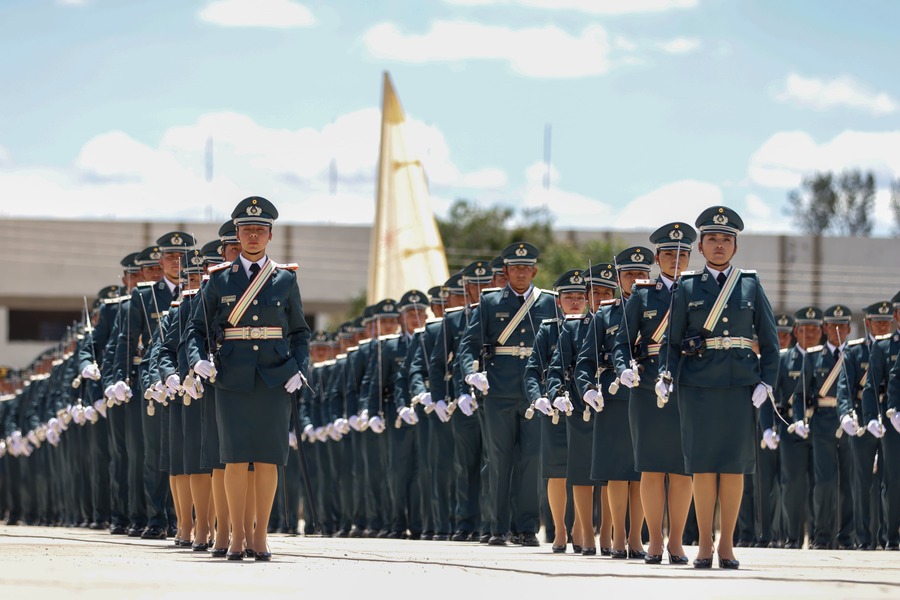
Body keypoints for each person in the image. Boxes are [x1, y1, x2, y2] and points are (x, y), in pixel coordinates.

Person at [187, 196, 311, 561]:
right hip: (232, 378)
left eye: (260, 230)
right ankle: (237, 536)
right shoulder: (219, 279)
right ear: (237, 236)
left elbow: (301, 333)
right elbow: (196, 328)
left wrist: (299, 371)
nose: (253, 235)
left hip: (275, 378)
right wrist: (197, 361)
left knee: (270, 458)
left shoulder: (285, 280)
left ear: (270, 235)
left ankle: (261, 535)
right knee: (236, 459)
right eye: (246, 230)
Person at [656, 206, 779, 569]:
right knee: (703, 466)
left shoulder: (751, 284)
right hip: (697, 387)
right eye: (712, 239)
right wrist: (665, 375)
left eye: (726, 240)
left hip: (741, 386)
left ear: (735, 246)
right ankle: (705, 543)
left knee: (734, 466)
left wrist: (767, 382)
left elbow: (771, 343)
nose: (719, 245)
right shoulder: (687, 287)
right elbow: (671, 342)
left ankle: (727, 543)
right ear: (701, 247)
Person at [458, 242, 557, 546]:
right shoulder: (489, 302)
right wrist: (470, 372)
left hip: (534, 390)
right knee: (499, 460)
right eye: (515, 268)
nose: (521, 273)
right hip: (498, 389)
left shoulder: (548, 303)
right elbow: (468, 345)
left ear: (534, 271)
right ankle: (496, 526)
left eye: (526, 268)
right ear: (506, 271)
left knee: (531, 458)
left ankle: (525, 527)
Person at [615, 223, 696, 564]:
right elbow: (622, 340)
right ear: (657, 259)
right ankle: (654, 541)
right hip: (648, 386)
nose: (675, 260)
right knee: (650, 468)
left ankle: (676, 541)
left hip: (688, 384)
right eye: (668, 254)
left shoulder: (697, 291)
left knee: (682, 468)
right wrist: (623, 368)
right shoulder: (643, 295)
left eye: (682, 254)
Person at [576, 250, 650, 560]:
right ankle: (619, 535)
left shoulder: (657, 309)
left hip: (646, 395)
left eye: (639, 273)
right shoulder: (605, 315)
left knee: (642, 473)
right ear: (619, 279)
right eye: (628, 274)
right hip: (614, 398)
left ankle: (637, 537)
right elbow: (584, 362)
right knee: (618, 473)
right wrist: (587, 390)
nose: (634, 280)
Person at [525, 269, 579, 553]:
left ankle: (582, 528)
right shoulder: (548, 330)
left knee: (586, 473)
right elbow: (533, 370)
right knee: (557, 472)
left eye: (580, 296)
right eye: (568, 297)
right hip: (555, 407)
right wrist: (538, 398)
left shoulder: (595, 324)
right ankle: (560, 529)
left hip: (586, 406)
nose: (574, 302)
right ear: (558, 301)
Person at [838, 301, 893, 550]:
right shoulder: (854, 351)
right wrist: (846, 415)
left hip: (890, 417)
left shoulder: (895, 346)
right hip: (862, 417)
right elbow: (845, 388)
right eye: (877, 322)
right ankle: (862, 537)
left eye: (886, 322)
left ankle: (887, 535)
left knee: (889, 479)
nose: (882, 326)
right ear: (867, 323)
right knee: (861, 481)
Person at [767, 307, 821, 549]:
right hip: (790, 428)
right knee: (792, 485)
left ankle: (822, 537)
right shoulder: (784, 359)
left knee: (822, 483)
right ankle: (792, 536)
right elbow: (771, 396)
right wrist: (769, 427)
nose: (809, 334)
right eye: (804, 329)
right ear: (796, 331)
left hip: (821, 428)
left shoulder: (825, 358)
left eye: (814, 330)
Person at [861, 291, 900, 550]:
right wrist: (871, 418)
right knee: (893, 480)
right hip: (893, 420)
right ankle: (892, 536)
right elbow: (871, 388)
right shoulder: (884, 346)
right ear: (896, 315)